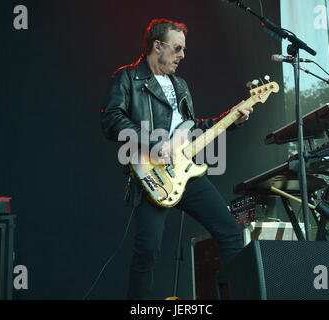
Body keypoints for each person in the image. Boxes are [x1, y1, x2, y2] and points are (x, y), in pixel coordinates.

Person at [101, 18, 252, 299]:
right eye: (178, 48)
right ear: (157, 46)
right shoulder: (128, 77)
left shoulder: (180, 85)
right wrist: (155, 142)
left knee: (231, 231)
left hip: (186, 173)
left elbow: (192, 130)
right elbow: (112, 120)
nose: (183, 55)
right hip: (151, 176)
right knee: (147, 252)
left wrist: (232, 119)